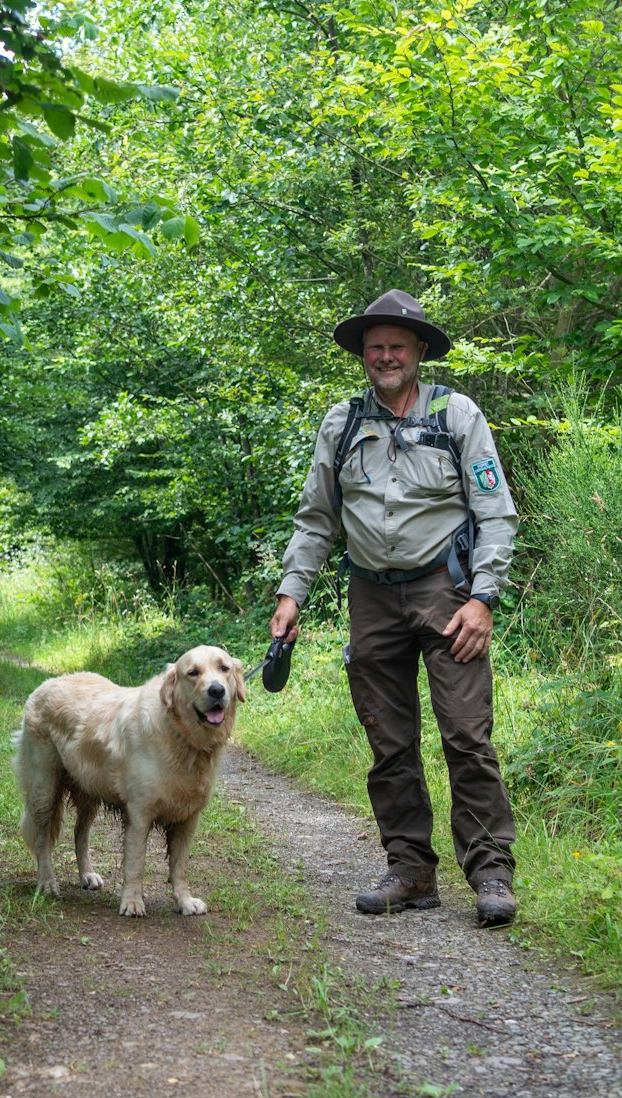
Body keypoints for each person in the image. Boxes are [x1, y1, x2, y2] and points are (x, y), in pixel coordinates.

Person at [269, 289, 521, 926]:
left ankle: (491, 873)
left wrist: (484, 599)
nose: (386, 356)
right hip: (370, 596)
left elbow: (496, 514)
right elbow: (316, 519)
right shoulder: (342, 423)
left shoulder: (457, 414)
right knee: (389, 741)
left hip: (448, 592)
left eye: (397, 347)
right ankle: (409, 871)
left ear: (418, 353)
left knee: (466, 735)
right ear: (363, 354)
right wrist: (291, 592)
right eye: (375, 347)